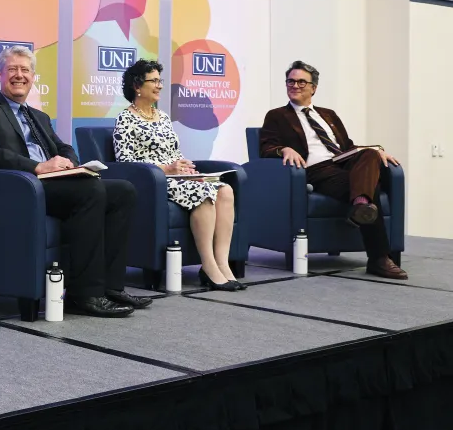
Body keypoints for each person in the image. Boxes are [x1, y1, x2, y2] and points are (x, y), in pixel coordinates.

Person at [0, 46, 150, 317]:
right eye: (12, 69)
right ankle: (85, 294)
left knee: (123, 191)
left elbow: (64, 147)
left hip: (52, 184)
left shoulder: (38, 116)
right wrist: (38, 166)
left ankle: (111, 286)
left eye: (25, 70)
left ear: (33, 77)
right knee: (90, 190)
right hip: (17, 187)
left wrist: (71, 165)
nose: (19, 75)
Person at [259, 61, 407, 279]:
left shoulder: (329, 114)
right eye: (290, 81)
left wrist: (376, 153)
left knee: (371, 153)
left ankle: (361, 206)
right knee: (370, 188)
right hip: (316, 170)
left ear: (313, 88)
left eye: (301, 81)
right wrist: (284, 149)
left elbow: (347, 147)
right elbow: (265, 148)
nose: (295, 85)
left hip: (343, 162)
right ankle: (378, 256)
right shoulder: (277, 115)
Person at [112, 59, 243, 292]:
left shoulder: (162, 116)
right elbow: (126, 163)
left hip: (178, 178)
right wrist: (167, 169)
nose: (160, 86)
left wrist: (185, 167)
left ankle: (222, 262)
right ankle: (209, 265)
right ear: (137, 86)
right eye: (154, 81)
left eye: (160, 80)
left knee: (225, 190)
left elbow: (173, 152)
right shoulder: (126, 119)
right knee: (204, 192)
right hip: (154, 182)